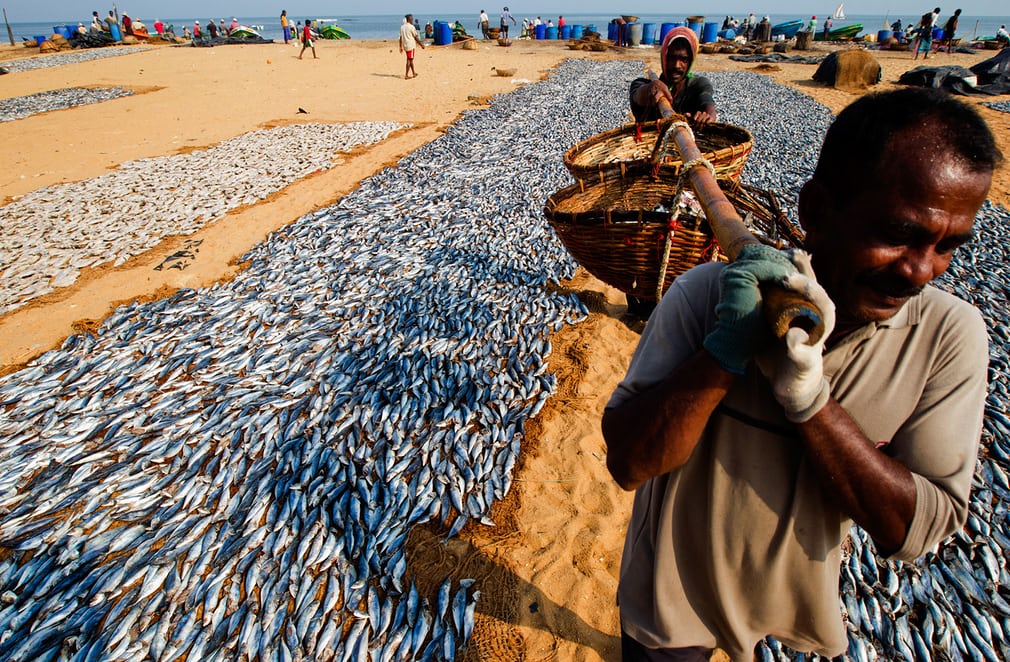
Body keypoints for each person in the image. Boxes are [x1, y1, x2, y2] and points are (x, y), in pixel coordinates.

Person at [602, 86, 1000, 661]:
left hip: (794, 623)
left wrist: (812, 401)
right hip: (670, 606)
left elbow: (915, 529)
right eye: (897, 233)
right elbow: (629, 463)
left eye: (947, 247)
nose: (919, 271)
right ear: (816, 209)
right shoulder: (705, 296)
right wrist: (722, 353)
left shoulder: (948, 338)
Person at [399, 14, 424, 79]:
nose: (412, 20)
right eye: (412, 19)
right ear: (409, 19)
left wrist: (400, 47)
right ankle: (406, 75)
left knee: (410, 59)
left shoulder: (402, 27)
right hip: (411, 45)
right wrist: (421, 45)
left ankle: (414, 73)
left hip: (405, 46)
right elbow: (416, 37)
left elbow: (400, 38)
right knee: (409, 60)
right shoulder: (411, 27)